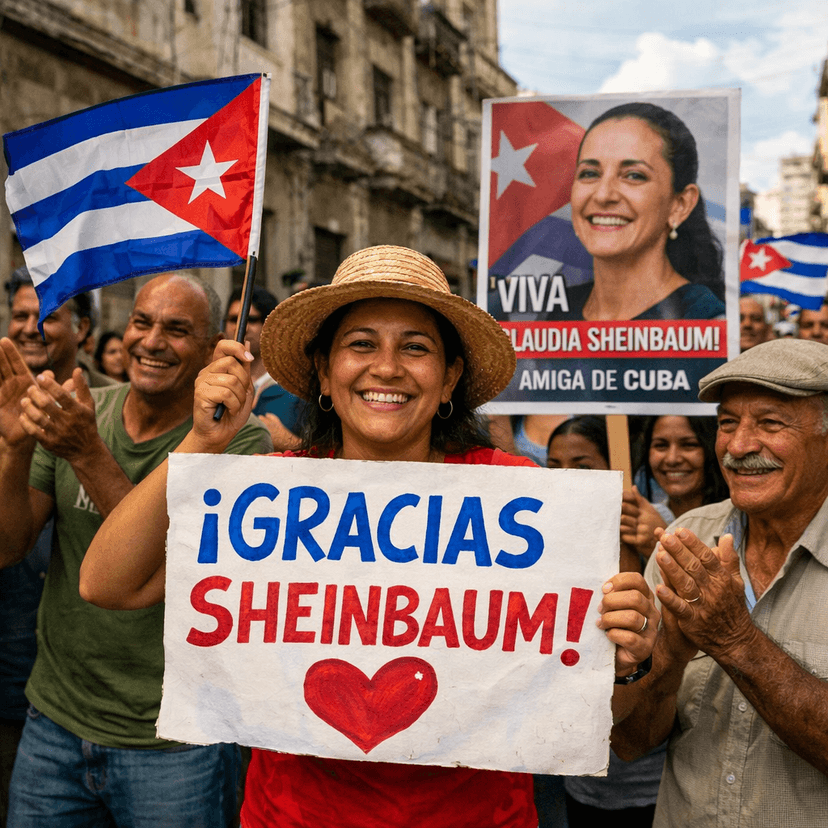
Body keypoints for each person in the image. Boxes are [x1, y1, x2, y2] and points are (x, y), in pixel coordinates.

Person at [80, 245, 658, 828]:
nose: (387, 367)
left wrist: (631, 659)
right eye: (361, 344)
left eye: (415, 347)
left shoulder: (522, 500)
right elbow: (105, 583)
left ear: (450, 377)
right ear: (325, 375)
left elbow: (607, 717)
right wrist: (202, 444)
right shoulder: (264, 499)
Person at [0, 273, 272, 827]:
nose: (151, 342)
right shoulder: (84, 409)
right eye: (142, 323)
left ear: (211, 346)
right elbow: (10, 545)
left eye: (176, 330)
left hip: (174, 746)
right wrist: (15, 449)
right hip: (55, 723)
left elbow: (166, 568)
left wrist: (87, 453)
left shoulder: (239, 441)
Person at [611, 338, 828, 827]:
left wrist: (733, 639)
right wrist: (667, 654)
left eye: (771, 423)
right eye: (728, 422)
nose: (738, 446)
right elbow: (630, 744)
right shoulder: (685, 542)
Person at [0, 267, 117, 827]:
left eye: (44, 316)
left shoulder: (122, 408)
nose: (28, 329)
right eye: (19, 315)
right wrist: (11, 449)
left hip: (101, 698)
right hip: (13, 671)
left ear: (85, 329)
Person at [546, 415, 665, 825]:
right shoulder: (540, 538)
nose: (567, 478)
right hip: (580, 778)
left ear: (613, 468)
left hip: (653, 778)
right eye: (554, 466)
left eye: (583, 467)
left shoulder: (654, 523)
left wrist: (656, 540)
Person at [560, 102, 725, 321]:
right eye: (589, 173)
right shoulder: (548, 314)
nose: (603, 195)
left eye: (634, 175)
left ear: (680, 205)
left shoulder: (709, 322)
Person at [223, 285, 304, 451]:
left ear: (270, 326)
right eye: (233, 319)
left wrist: (290, 443)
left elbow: (330, 458)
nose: (241, 328)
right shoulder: (212, 384)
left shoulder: (297, 389)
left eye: (251, 320)